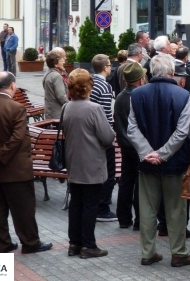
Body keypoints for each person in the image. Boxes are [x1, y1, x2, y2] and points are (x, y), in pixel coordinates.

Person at [127, 54, 190, 268]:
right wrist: (163, 153)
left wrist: (148, 152)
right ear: (171, 72)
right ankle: (179, 252)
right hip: (174, 162)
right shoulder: (182, 94)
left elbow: (132, 128)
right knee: (176, 209)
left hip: (146, 162)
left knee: (147, 209)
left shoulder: (137, 94)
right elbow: (183, 131)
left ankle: (148, 252)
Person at [0, 72, 52, 254]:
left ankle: (1, 244)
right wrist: (0, 155)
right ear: (13, 85)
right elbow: (17, 138)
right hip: (16, 169)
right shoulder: (17, 108)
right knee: (23, 209)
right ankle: (30, 242)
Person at [62, 69, 115, 258]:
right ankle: (88, 245)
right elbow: (107, 138)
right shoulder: (94, 108)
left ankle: (74, 244)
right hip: (92, 163)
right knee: (90, 205)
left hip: (73, 162)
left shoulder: (66, 107)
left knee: (76, 203)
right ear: (88, 87)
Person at [114, 62, 147, 231]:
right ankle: (140, 220)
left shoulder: (120, 96)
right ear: (140, 79)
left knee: (126, 181)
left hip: (125, 144)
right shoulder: (140, 96)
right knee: (140, 182)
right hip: (138, 145)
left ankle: (124, 217)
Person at [89, 54, 117, 223]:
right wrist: (109, 137)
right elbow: (106, 116)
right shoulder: (104, 87)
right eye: (109, 65)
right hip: (101, 138)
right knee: (109, 173)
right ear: (106, 67)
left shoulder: (91, 82)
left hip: (89, 136)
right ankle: (103, 207)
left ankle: (95, 205)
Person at [43, 49, 69, 120]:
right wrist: (70, 106)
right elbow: (61, 96)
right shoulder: (56, 76)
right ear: (55, 64)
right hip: (57, 113)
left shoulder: (48, 73)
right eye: (61, 60)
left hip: (50, 111)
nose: (64, 61)